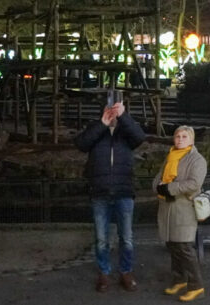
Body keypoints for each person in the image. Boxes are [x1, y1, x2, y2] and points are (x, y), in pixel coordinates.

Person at [74, 96, 147, 292]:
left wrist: (124, 117)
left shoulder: (126, 131)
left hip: (124, 190)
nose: (112, 113)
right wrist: (102, 124)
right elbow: (81, 144)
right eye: (109, 110)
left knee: (127, 237)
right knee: (101, 238)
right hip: (99, 192)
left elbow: (140, 137)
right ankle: (104, 273)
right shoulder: (95, 129)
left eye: (115, 110)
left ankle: (126, 271)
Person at [153, 126, 208, 302]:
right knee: (173, 245)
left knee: (184, 247)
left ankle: (196, 285)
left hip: (184, 208)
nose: (180, 139)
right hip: (167, 208)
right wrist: (157, 187)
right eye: (177, 136)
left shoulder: (197, 160)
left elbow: (194, 183)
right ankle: (179, 279)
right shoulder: (170, 156)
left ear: (191, 140)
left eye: (184, 136)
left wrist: (169, 188)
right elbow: (158, 177)